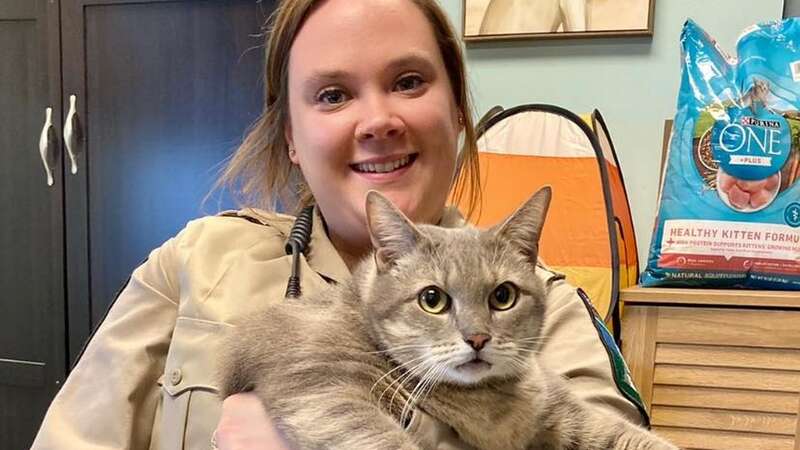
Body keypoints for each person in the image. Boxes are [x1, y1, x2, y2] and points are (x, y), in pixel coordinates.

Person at [32, 0, 647, 449]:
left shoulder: (550, 308)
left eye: (408, 82)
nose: (377, 120)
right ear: (292, 137)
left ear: (458, 110)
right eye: (332, 95)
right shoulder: (195, 260)